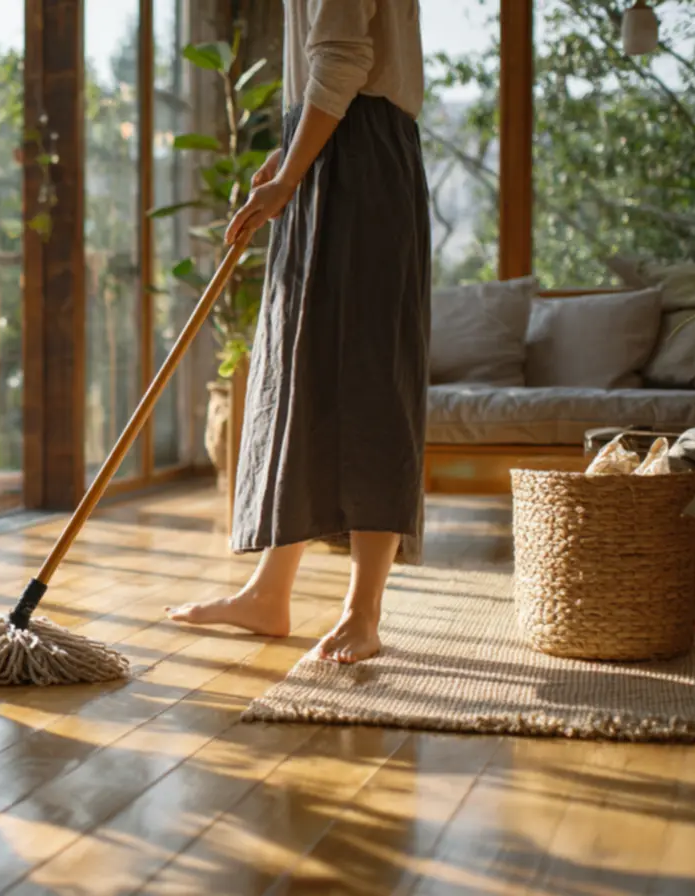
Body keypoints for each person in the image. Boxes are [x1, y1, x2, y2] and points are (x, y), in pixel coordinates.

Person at [167, 0, 430, 663]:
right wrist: (292, 156)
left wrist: (290, 174)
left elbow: (346, 58)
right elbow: (342, 64)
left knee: (370, 386)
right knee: (299, 372)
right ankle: (268, 592)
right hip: (340, 150)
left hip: (361, 165)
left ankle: (362, 612)